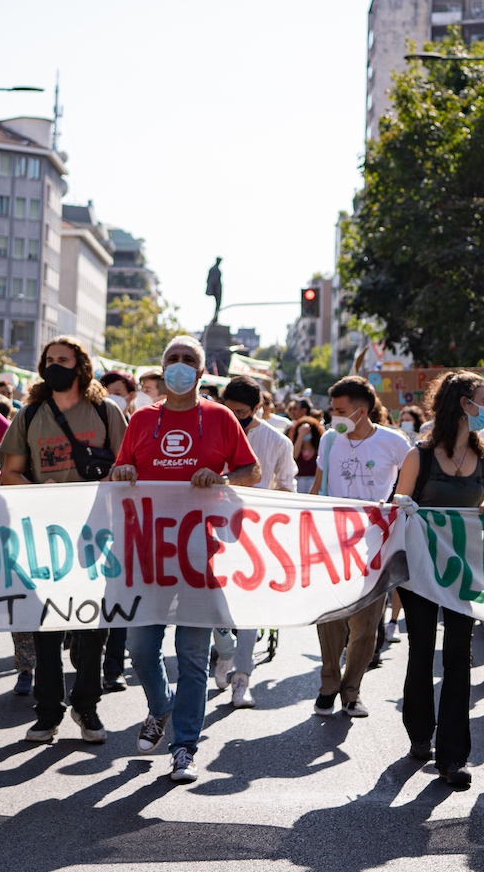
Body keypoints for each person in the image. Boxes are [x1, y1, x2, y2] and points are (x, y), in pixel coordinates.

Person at [110, 335, 258, 783]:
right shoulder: (141, 420)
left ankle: (184, 746)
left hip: (200, 558)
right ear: (161, 367)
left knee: (193, 656)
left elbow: (250, 474)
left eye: (187, 360)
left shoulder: (220, 417)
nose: (178, 366)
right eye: (171, 359)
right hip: (147, 556)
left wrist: (223, 476)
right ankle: (160, 706)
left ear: (200, 370)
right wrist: (124, 472)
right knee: (138, 648)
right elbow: (118, 474)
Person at [0, 336, 126, 743]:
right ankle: (48, 711)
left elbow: (127, 470)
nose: (55, 365)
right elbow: (10, 471)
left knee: (94, 628)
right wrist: (45, 496)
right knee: (46, 626)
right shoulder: (30, 413)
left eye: (63, 360)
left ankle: (86, 707)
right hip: (45, 536)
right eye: (49, 359)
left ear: (80, 366)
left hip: (95, 535)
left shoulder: (106, 413)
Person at [392, 372, 484, 790]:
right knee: (421, 651)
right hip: (420, 574)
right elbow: (397, 511)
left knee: (459, 659)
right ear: (462, 404)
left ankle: (453, 757)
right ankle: (420, 733)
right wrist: (402, 505)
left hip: (464, 572)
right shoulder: (418, 456)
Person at [310, 375, 410, 719]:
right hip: (332, 544)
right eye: (331, 409)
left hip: (374, 547)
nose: (332, 416)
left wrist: (399, 505)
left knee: (366, 624)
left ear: (361, 411)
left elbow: (413, 480)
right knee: (329, 617)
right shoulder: (328, 442)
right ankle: (328, 684)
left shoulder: (393, 443)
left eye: (339, 410)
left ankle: (352, 691)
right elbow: (319, 489)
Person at [213, 377, 297, 708]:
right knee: (214, 605)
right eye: (228, 411)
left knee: (250, 609)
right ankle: (224, 653)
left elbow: (288, 487)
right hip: (212, 530)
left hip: (256, 534)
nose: (234, 418)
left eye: (242, 412)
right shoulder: (212, 432)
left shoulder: (277, 441)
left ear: (258, 408)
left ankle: (242, 679)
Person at [289, 412, 324, 495]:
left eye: (308, 432)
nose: (306, 434)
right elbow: (293, 458)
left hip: (313, 483)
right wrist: (301, 435)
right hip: (298, 482)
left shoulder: (319, 447)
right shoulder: (294, 446)